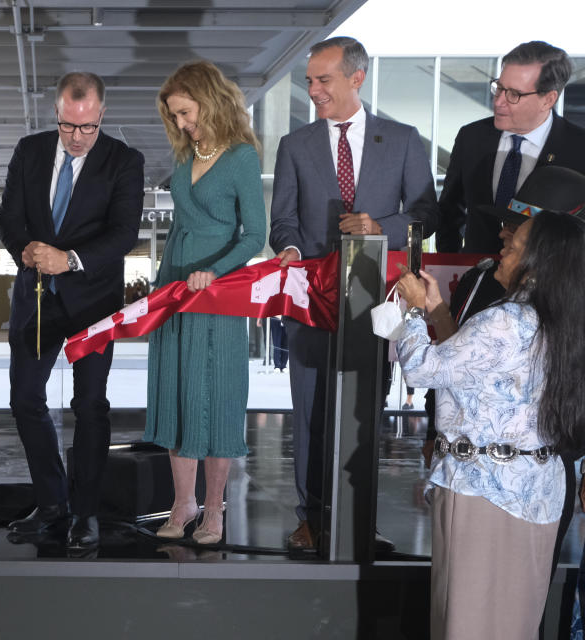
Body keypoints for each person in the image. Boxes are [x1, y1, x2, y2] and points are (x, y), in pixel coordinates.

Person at [269, 36, 439, 550]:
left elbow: (427, 214)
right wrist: (291, 252)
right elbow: (283, 222)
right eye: (309, 81)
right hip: (310, 301)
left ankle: (359, 517)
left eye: (323, 80)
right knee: (309, 412)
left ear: (356, 78)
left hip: (373, 306)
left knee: (365, 414)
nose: (313, 90)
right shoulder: (295, 145)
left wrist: (378, 225)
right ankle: (310, 518)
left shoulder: (404, 139)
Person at [397, 208, 585, 639]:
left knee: (470, 621)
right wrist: (439, 312)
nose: (502, 251)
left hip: (484, 490)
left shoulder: (506, 321)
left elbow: (425, 370)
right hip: (535, 491)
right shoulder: (562, 318)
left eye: (513, 247)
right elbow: (469, 368)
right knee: (512, 623)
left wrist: (409, 315)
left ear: (538, 262)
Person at [0, 72, 144, 550]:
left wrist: (70, 260)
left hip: (93, 302)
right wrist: (26, 250)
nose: (77, 138)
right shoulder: (29, 150)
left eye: (87, 127)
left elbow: (123, 233)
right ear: (56, 113)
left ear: (101, 115)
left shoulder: (125, 161)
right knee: (24, 401)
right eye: (67, 127)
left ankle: (86, 514)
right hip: (35, 297)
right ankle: (53, 503)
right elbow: (7, 217)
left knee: (89, 408)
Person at [145, 61, 267, 545]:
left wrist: (214, 272)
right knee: (177, 395)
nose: (181, 123)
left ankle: (214, 510)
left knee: (214, 400)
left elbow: (254, 235)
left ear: (210, 100)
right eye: (174, 116)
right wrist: (160, 287)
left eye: (186, 112)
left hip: (217, 294)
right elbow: (179, 226)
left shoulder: (240, 158)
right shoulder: (184, 157)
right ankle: (182, 504)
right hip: (176, 289)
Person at [436, 41, 585, 254]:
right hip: (475, 275)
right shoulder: (472, 137)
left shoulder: (579, 148)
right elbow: (449, 213)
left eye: (514, 94)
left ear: (548, 99)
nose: (498, 102)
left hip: (544, 282)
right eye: (499, 88)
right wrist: (449, 267)